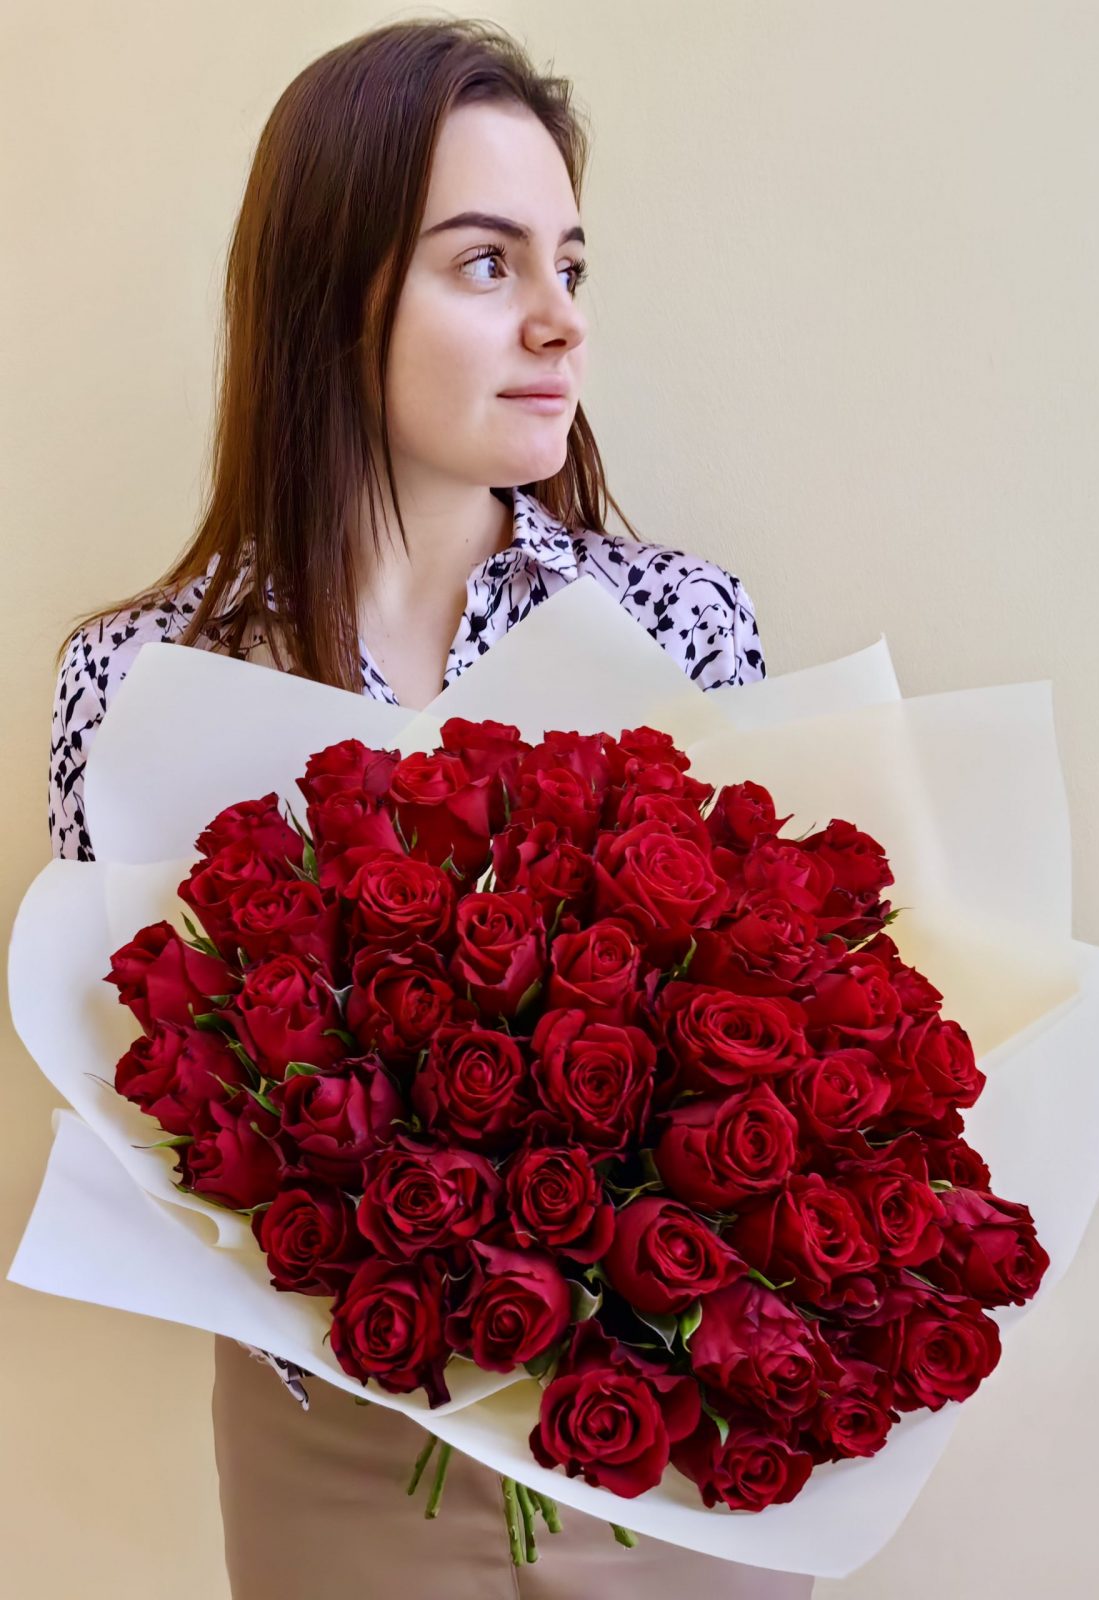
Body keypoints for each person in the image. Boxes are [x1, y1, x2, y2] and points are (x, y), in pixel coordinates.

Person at [47, 17, 814, 1599]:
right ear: (335, 296)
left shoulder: (679, 625)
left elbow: (773, 1038)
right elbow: (146, 1106)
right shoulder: (139, 680)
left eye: (570, 266)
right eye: (486, 263)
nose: (560, 320)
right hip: (331, 1449)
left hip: (664, 1436)